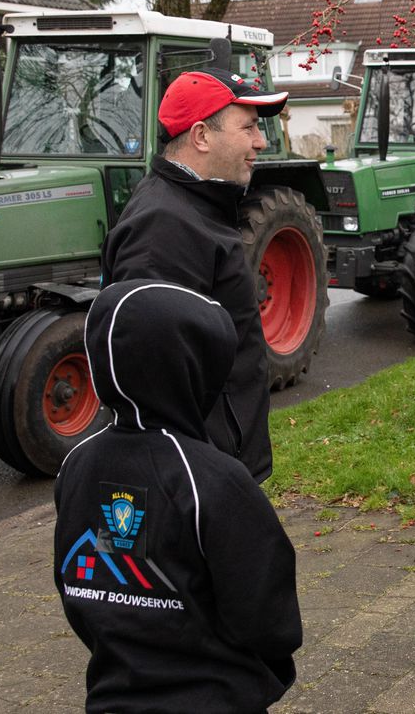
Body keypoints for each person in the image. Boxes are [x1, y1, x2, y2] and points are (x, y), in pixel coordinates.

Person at [54, 279, 302, 714]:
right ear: (193, 367)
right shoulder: (214, 480)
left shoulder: (78, 464)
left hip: (113, 695)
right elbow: (270, 619)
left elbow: (81, 583)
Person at [101, 68, 288, 482]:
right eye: (249, 128)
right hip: (196, 478)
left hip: (218, 467)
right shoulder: (162, 228)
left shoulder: (198, 206)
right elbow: (150, 384)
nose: (261, 142)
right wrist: (200, 482)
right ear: (202, 136)